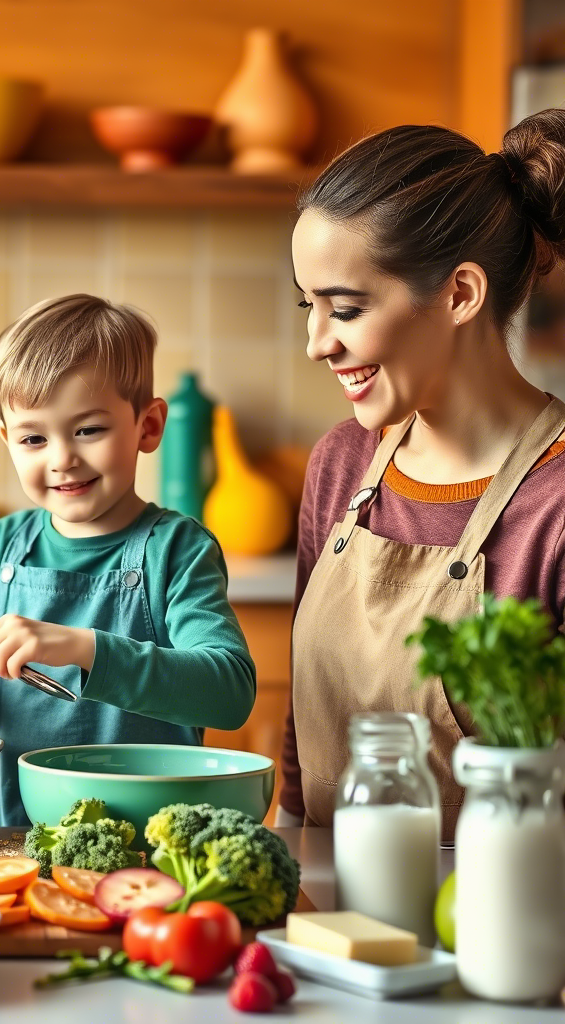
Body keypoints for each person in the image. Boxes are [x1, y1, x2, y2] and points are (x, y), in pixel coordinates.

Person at [280, 110, 565, 840]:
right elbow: (302, 719)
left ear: (460, 294)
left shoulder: (555, 503)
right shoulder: (341, 464)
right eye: (307, 305)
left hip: (493, 921)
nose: (317, 342)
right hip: (323, 914)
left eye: (344, 307)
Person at [0, 294, 256, 825]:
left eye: (88, 430)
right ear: (8, 441)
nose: (62, 458)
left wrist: (81, 648)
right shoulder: (3, 545)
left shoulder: (178, 549)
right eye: (34, 438)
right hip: (12, 835)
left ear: (147, 426)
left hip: (146, 843)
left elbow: (228, 692)